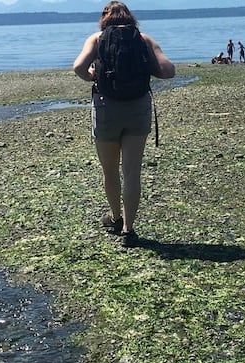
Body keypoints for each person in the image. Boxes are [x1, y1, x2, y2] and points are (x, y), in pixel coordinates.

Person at [73, 1, 175, 244]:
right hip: (138, 107)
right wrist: (146, 72)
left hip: (106, 107)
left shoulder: (97, 39)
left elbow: (78, 67)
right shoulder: (143, 39)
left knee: (110, 171)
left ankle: (116, 217)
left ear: (104, 18)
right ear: (130, 17)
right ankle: (129, 229)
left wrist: (92, 76)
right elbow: (168, 70)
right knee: (132, 172)